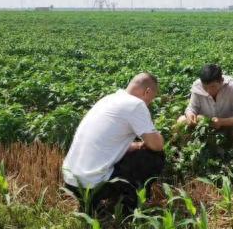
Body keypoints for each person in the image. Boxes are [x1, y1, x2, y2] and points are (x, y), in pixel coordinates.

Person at [62, 72, 165, 214]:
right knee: (155, 157)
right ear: (147, 92)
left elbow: (108, 143)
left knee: (137, 151)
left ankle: (93, 204)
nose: (150, 104)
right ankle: (130, 208)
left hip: (72, 181)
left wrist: (136, 145)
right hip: (92, 185)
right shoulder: (135, 104)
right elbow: (157, 145)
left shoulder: (109, 99)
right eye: (151, 99)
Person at [178, 64, 233, 145]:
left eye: (212, 86)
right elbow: (191, 108)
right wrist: (190, 115)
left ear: (221, 81)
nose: (208, 91)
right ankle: (188, 144)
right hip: (206, 125)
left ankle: (230, 143)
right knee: (181, 121)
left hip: (230, 125)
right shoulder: (197, 86)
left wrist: (222, 122)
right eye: (205, 87)